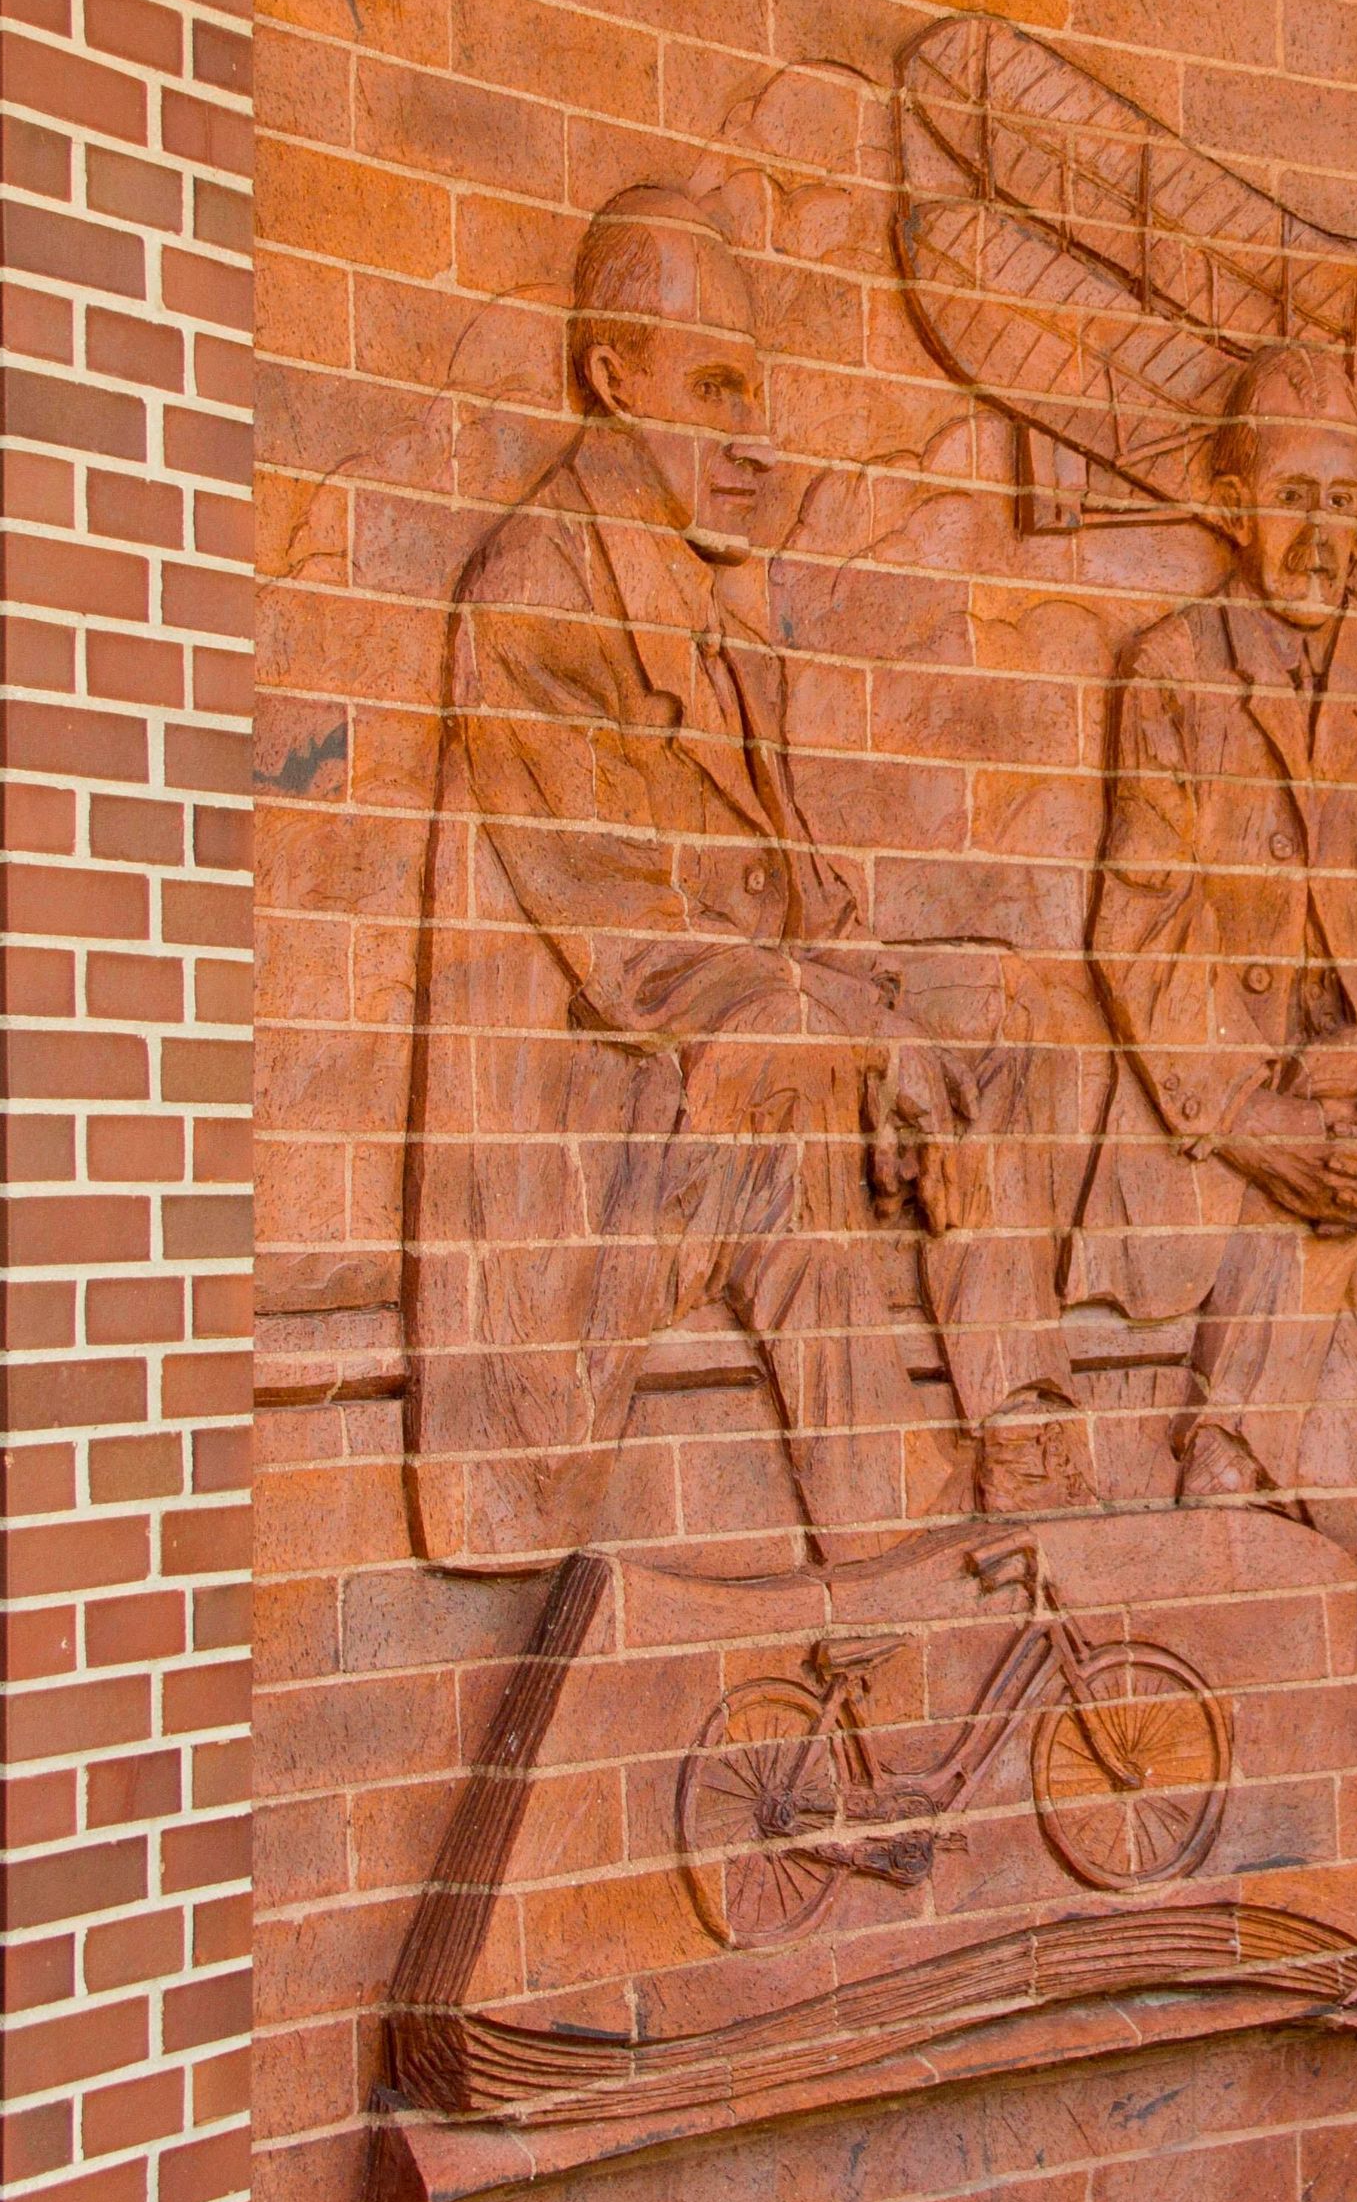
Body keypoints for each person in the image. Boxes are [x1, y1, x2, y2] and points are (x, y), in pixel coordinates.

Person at [403, 182, 1091, 1567]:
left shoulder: (719, 599)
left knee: (1008, 1017)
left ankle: (1024, 1454)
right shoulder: (537, 586)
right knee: (798, 1067)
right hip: (604, 1119)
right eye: (716, 388)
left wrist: (898, 1019)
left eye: (756, 394)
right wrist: (862, 1036)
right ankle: (884, 1552)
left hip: (730, 1077)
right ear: (613, 377)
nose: (753, 439)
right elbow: (631, 946)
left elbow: (802, 902)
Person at [1074, 344, 1357, 1555]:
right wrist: (1256, 1123)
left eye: (1342, 498)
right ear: (1231, 498)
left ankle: (1226, 1463)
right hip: (1220, 1117)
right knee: (1304, 1213)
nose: (1321, 532)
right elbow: (1142, 931)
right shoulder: (1171, 669)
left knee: (1347, 1177)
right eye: (1292, 495)